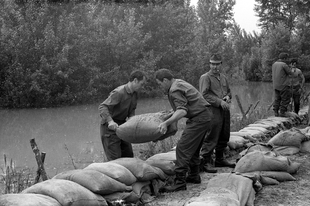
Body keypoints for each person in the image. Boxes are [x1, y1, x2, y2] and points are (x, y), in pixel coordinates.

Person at [155, 68, 213, 192]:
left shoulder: (174, 89)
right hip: (205, 115)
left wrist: (166, 123)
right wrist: (172, 114)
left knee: (182, 147)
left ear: (165, 80)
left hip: (199, 117)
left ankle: (180, 182)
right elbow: (185, 105)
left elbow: (182, 110)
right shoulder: (179, 82)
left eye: (160, 84)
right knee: (194, 148)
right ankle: (194, 175)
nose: (160, 87)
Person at [199, 53, 235, 173]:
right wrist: (219, 102)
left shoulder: (223, 77)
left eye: (217, 64)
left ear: (221, 64)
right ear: (209, 64)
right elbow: (204, 95)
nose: (215, 67)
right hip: (213, 110)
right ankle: (206, 161)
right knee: (212, 135)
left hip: (224, 110)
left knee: (224, 135)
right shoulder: (205, 77)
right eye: (212, 64)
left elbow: (229, 92)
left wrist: (228, 98)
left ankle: (219, 159)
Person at [98, 70, 146, 161]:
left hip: (123, 126)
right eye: (141, 84)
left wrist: (132, 120)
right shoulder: (119, 92)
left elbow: (131, 110)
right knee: (115, 158)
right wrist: (110, 121)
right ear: (135, 80)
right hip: (110, 128)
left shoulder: (135, 94)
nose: (142, 87)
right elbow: (102, 107)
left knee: (128, 155)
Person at [272, 53, 294, 117]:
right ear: (284, 58)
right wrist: (291, 68)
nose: (286, 60)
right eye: (286, 59)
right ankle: (282, 112)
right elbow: (290, 73)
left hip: (275, 85)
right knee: (285, 99)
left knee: (277, 99)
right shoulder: (284, 65)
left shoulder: (274, 64)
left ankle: (276, 112)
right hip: (283, 85)